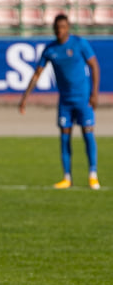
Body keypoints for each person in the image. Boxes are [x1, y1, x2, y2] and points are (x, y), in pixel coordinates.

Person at [19, 14, 101, 190]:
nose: (59, 31)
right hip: (65, 101)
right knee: (64, 138)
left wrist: (94, 93)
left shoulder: (79, 43)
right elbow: (37, 74)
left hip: (83, 99)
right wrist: (25, 97)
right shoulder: (50, 50)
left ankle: (92, 175)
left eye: (63, 27)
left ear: (68, 27)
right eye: (57, 28)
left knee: (88, 134)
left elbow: (94, 65)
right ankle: (67, 177)